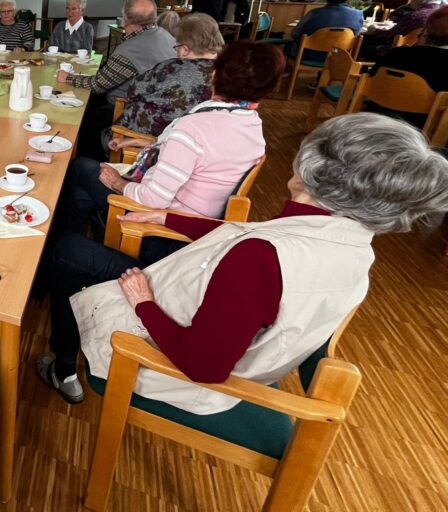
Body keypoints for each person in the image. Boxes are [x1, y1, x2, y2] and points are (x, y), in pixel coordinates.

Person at [37, 113, 448, 406]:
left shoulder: (260, 259)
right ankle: (63, 355)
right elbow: (251, 236)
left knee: (66, 251)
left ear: (310, 168)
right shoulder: (351, 241)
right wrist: (168, 217)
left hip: (173, 370)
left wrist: (142, 300)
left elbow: (203, 366)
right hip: (227, 335)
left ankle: (65, 365)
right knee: (74, 240)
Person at [58, 41, 285, 245]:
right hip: (199, 223)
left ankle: (76, 247)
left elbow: (151, 199)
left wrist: (118, 183)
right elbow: (203, 153)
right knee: (81, 196)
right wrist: (150, 142)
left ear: (215, 75)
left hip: (163, 230)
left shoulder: (194, 129)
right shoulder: (251, 124)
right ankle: (87, 240)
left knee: (81, 168)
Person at [109, 13, 224, 144]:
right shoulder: (228, 72)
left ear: (185, 50)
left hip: (145, 139)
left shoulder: (171, 68)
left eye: (177, 47)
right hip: (197, 143)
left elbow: (133, 90)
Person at [58, 0, 175, 105]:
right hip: (160, 103)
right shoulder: (166, 35)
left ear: (125, 22)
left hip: (125, 107)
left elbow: (97, 85)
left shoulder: (129, 50)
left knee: (79, 102)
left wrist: (68, 77)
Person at [367, 5, 448, 128]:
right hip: (421, 130)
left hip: (375, 118)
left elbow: (369, 79)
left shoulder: (396, 54)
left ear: (428, 28)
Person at [291, 0, 363, 41]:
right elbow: (355, 36)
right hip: (339, 55)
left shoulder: (314, 13)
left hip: (307, 53)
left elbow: (295, 34)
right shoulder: (358, 14)